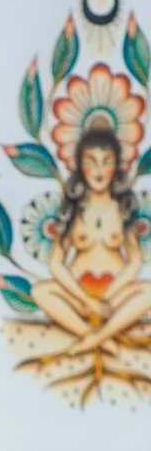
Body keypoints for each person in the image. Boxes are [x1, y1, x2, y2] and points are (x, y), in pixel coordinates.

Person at [30, 124, 151, 355]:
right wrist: (86, 300)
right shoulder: (72, 209)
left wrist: (107, 297)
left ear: (115, 166)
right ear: (80, 166)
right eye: (91, 161)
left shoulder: (123, 207)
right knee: (40, 291)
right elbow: (56, 263)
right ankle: (100, 340)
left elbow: (135, 261)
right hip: (79, 300)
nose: (98, 170)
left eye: (106, 161)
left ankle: (97, 338)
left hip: (113, 301)